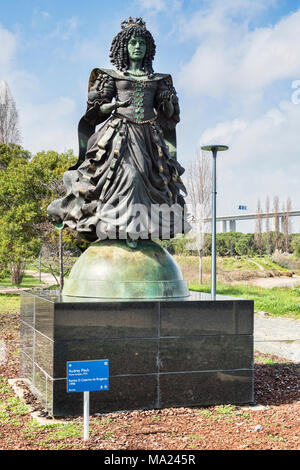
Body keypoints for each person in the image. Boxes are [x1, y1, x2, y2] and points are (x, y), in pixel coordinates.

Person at [47, 17, 191, 243]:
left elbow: (170, 115)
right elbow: (96, 110)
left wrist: (167, 103)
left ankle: (139, 230)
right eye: (133, 42)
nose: (137, 47)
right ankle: (116, 227)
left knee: (145, 176)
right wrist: (112, 106)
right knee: (127, 177)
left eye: (142, 43)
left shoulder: (160, 79)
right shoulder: (112, 77)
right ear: (124, 46)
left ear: (148, 48)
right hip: (119, 134)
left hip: (149, 137)